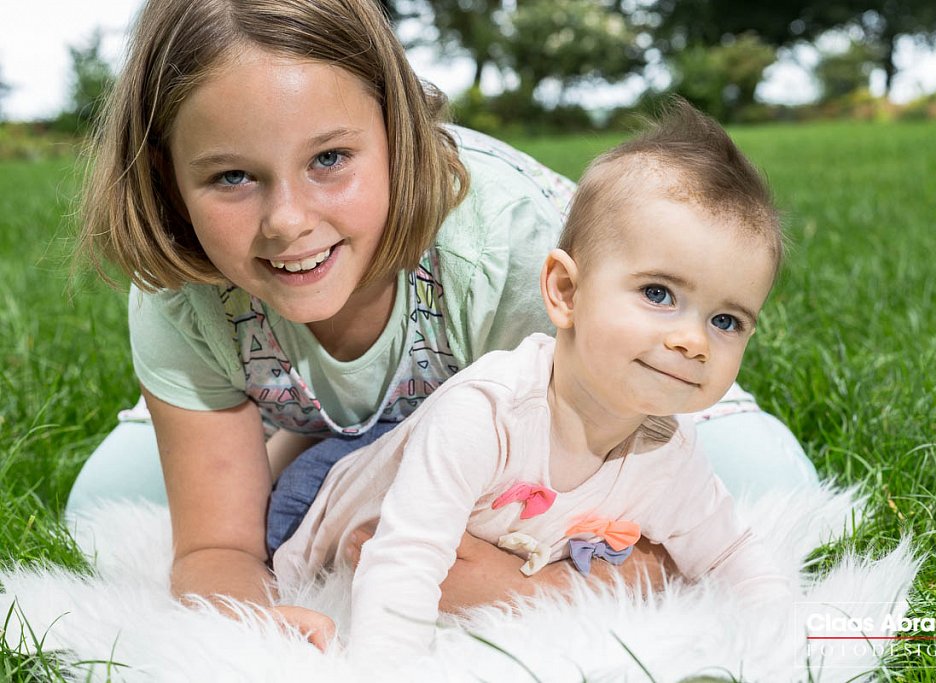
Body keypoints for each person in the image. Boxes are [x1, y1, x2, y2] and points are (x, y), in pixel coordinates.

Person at [67, 0, 815, 652]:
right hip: (357, 406)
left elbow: (621, 471)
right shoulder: (180, 292)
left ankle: (332, 433)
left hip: (573, 387)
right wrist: (265, 625)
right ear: (168, 177)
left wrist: (547, 583)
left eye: (330, 158)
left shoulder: (509, 246)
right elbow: (217, 547)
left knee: (773, 478)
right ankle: (319, 426)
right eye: (233, 176)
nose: (288, 221)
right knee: (99, 502)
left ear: (399, 131)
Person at [273, 98, 792, 661]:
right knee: (326, 482)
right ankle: (299, 435)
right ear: (565, 292)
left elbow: (731, 556)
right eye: (658, 294)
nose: (693, 341)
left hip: (467, 498)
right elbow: (404, 557)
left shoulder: (668, 454)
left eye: (725, 321)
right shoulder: (487, 415)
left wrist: (785, 639)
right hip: (323, 500)